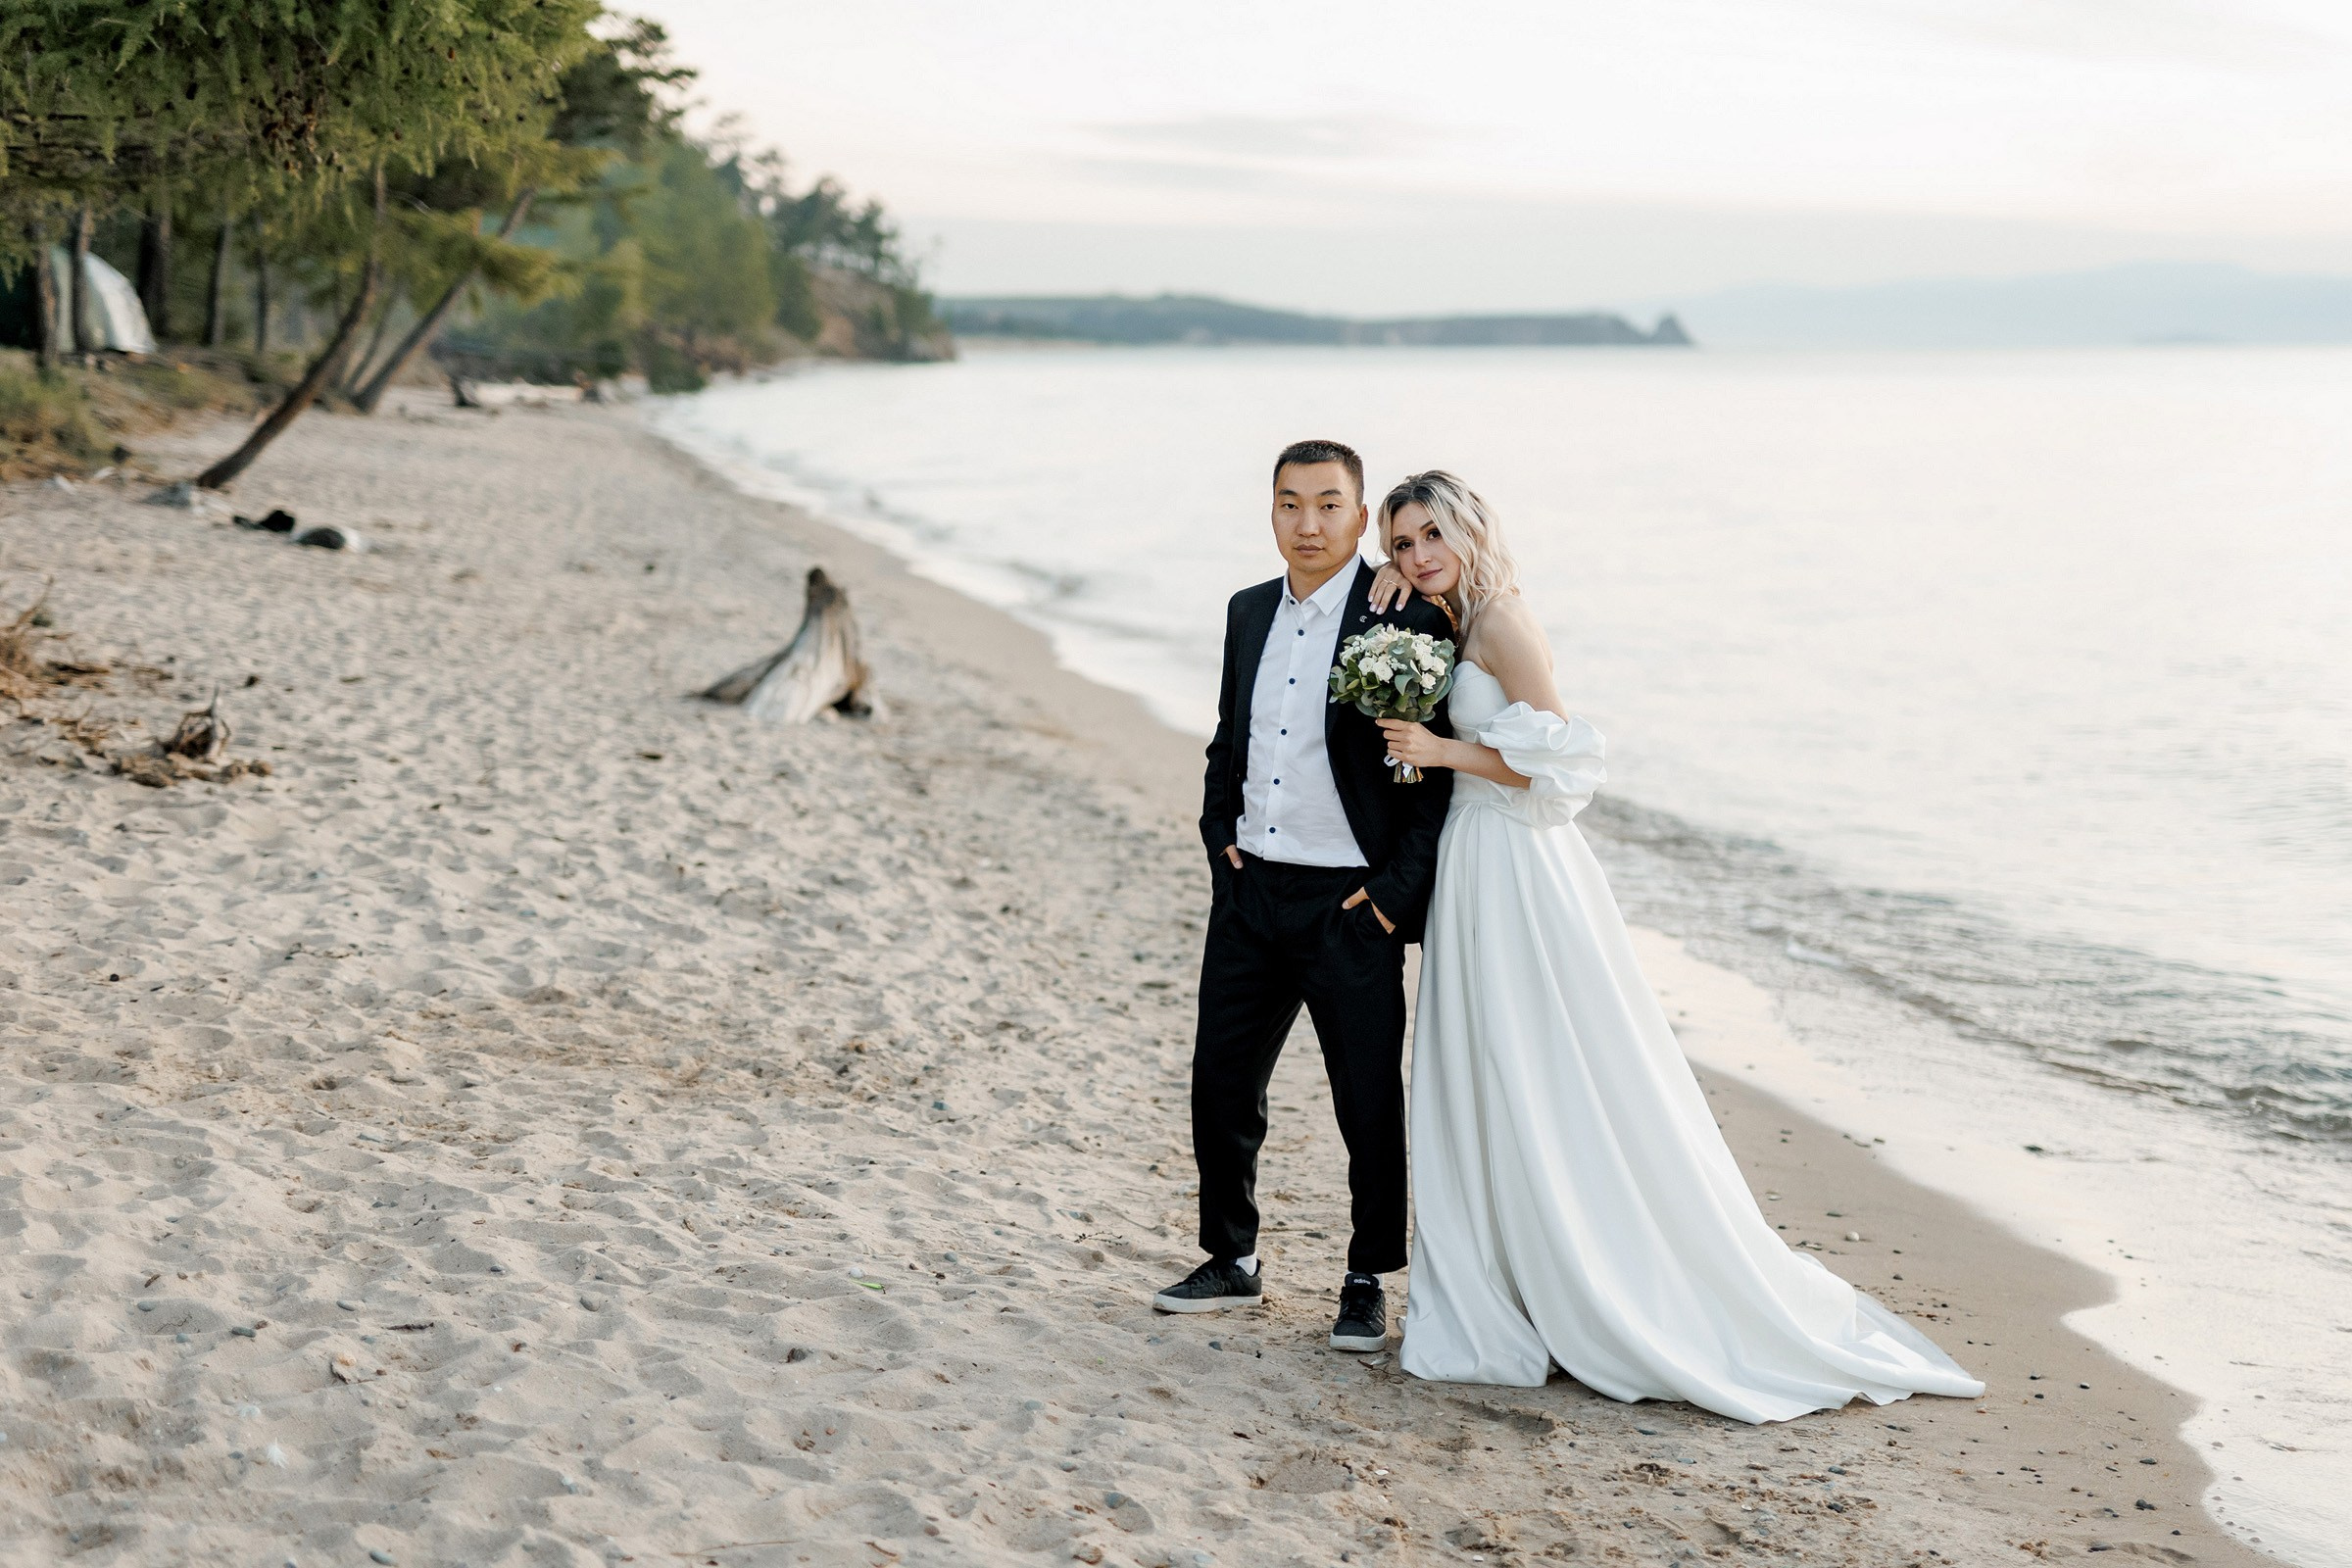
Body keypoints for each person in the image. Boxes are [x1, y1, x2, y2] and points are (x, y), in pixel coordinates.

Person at [1366, 469, 1984, 1421]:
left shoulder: (1502, 623)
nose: (1418, 556)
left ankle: (1603, 1279)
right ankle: (1516, 1279)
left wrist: (1443, 751)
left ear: (1469, 528)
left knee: (1547, 1062)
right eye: (1401, 543)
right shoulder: (1449, 618)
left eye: (1429, 536)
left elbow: (1564, 763)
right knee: (1490, 1068)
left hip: (1523, 866)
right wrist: (1388, 598)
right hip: (1475, 859)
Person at [1152, 439, 1456, 1353]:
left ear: (1362, 519)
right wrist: (1220, 842)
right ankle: (1231, 1258)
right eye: (1291, 504)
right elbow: (1225, 743)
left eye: (1329, 505)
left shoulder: (1402, 616)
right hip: (1251, 893)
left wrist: (1394, 897)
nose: (1309, 523)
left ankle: (1366, 1278)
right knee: (1221, 1083)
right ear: (1272, 513)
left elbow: (1431, 779)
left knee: (1365, 1099)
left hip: (1349, 906)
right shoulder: (1247, 612)